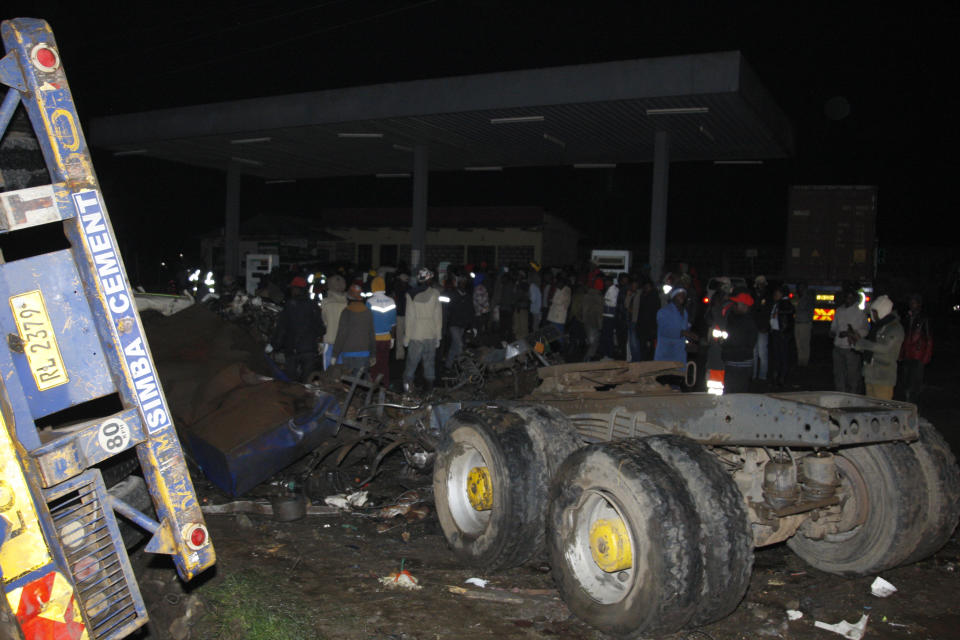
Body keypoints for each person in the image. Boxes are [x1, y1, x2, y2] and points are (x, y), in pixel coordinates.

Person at [848, 294, 904, 400]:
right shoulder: (879, 327)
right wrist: (856, 342)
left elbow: (883, 348)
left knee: (881, 412)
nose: (872, 315)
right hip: (870, 375)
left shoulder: (895, 328)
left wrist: (860, 343)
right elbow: (870, 347)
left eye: (875, 312)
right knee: (870, 409)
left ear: (883, 311)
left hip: (883, 377)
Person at [271, 276, 323, 382]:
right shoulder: (313, 305)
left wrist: (275, 344)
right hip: (309, 350)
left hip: (292, 350)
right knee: (307, 383)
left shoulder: (289, 305)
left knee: (291, 384)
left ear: (295, 289)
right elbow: (321, 329)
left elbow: (282, 327)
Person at [403, 267, 443, 394]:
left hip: (416, 334)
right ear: (430, 279)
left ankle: (408, 392)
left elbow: (409, 318)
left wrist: (406, 338)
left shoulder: (410, 294)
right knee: (429, 364)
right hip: (430, 334)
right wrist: (438, 336)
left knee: (411, 365)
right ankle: (429, 393)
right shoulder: (435, 293)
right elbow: (438, 317)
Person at [830, 288, 869, 393]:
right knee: (838, 374)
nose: (848, 300)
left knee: (852, 375)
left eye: (851, 297)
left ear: (855, 298)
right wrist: (833, 332)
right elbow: (834, 327)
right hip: (838, 346)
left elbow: (865, 330)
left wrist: (851, 333)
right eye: (847, 297)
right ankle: (840, 394)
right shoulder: (839, 311)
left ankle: (852, 396)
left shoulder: (859, 313)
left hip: (851, 348)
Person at [332, 283, 376, 373]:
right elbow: (371, 334)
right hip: (364, 353)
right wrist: (373, 355)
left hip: (348, 353)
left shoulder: (346, 312)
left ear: (349, 297)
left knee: (349, 383)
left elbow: (341, 334)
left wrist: (335, 354)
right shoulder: (368, 312)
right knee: (361, 383)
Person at [721, 288, 758, 394]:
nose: (733, 305)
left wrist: (726, 345)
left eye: (736, 303)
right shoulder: (734, 318)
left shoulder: (747, 322)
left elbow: (742, 343)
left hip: (740, 364)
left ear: (744, 306)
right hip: (733, 362)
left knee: (738, 395)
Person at [899, 293, 933, 404]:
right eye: (910, 303)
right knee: (905, 381)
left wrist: (926, 356)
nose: (911, 305)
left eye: (914, 303)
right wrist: (901, 352)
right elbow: (903, 336)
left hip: (918, 354)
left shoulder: (923, 319)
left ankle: (913, 404)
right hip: (907, 353)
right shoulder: (907, 317)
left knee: (915, 382)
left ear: (919, 305)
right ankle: (907, 402)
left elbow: (928, 338)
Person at [366, 276, 396, 386]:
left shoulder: (370, 301)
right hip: (386, 338)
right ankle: (385, 386)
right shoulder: (391, 301)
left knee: (374, 365)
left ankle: (374, 388)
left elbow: (367, 322)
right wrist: (392, 338)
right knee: (384, 364)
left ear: (373, 287)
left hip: (374, 339)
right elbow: (393, 323)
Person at [655, 287, 697, 363]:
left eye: (684, 295)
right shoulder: (664, 312)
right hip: (666, 353)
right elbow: (664, 331)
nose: (682, 297)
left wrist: (689, 340)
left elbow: (685, 329)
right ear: (673, 297)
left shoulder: (684, 313)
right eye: (679, 295)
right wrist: (683, 333)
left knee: (679, 373)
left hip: (679, 354)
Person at [768, 285, 795, 388]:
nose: (775, 295)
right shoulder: (778, 304)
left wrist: (784, 333)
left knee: (782, 356)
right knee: (778, 356)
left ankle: (781, 378)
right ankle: (777, 377)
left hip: (782, 334)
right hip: (777, 333)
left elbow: (788, 313)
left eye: (777, 293)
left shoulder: (784, 303)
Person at [445, 275, 473, 370]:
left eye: (464, 283)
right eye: (461, 283)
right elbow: (447, 310)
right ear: (458, 284)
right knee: (459, 345)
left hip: (462, 325)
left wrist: (471, 325)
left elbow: (471, 312)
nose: (463, 285)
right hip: (453, 324)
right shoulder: (453, 295)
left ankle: (448, 365)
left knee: (455, 346)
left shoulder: (468, 296)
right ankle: (463, 368)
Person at [320, 274, 348, 370]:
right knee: (342, 371)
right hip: (345, 342)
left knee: (328, 371)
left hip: (330, 341)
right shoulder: (347, 303)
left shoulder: (325, 303)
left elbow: (324, 322)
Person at [752, 275, 771, 382]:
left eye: (762, 283)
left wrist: (766, 326)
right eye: (759, 283)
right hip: (754, 327)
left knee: (762, 353)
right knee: (754, 353)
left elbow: (768, 312)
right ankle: (754, 375)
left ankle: (762, 376)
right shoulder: (753, 295)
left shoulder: (767, 296)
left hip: (763, 328)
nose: (761, 285)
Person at [636, 278, 660, 361]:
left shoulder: (654, 297)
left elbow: (654, 313)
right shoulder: (642, 295)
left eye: (648, 287)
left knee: (650, 349)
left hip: (650, 327)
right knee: (643, 347)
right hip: (642, 326)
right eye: (645, 287)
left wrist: (654, 328)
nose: (646, 288)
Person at [581, 277, 604, 361]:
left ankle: (587, 358)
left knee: (592, 342)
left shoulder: (587, 295)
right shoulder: (598, 297)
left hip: (587, 321)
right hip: (595, 322)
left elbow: (584, 310)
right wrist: (600, 325)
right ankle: (587, 358)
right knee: (593, 342)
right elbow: (600, 313)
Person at [793, 282, 815, 366]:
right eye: (798, 288)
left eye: (800, 287)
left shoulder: (808, 298)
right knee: (798, 343)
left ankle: (804, 361)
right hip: (798, 323)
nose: (798, 289)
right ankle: (800, 360)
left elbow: (809, 312)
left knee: (804, 343)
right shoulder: (800, 297)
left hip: (805, 323)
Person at [598, 275, 618, 359]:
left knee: (608, 336)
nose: (605, 283)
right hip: (606, 315)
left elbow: (613, 303)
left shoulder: (614, 290)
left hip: (610, 316)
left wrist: (605, 301)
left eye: (606, 281)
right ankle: (606, 353)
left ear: (610, 281)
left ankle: (609, 354)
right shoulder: (609, 289)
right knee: (605, 335)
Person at [546, 273, 571, 340]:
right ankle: (556, 348)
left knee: (558, 334)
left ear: (562, 282)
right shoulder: (560, 289)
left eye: (557, 282)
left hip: (558, 317)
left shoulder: (565, 290)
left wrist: (551, 300)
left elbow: (559, 301)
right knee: (554, 334)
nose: (556, 284)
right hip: (556, 316)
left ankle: (559, 349)